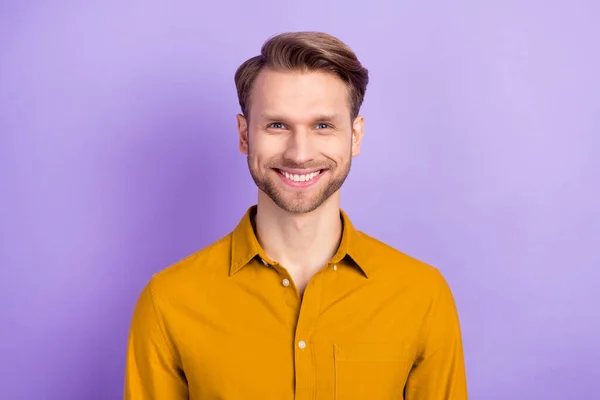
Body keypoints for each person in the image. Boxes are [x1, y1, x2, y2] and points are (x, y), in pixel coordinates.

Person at [124, 31, 468, 399]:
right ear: (244, 135)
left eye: (323, 125)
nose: (299, 153)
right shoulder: (169, 301)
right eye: (277, 125)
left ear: (354, 136)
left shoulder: (422, 295)